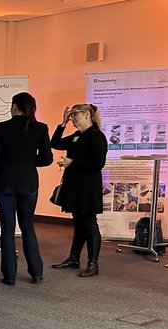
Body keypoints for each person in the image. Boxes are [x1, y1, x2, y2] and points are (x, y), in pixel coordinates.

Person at [0, 92, 53, 286]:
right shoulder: (40, 128)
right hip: (29, 184)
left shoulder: (2, 128)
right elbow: (47, 159)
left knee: (8, 229)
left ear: (14, 107)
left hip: (4, 184)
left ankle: (10, 275)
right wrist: (30, 161)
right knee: (28, 226)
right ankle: (36, 272)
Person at [49, 103, 108, 277]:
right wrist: (62, 123)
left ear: (88, 115)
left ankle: (93, 263)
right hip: (75, 185)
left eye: (76, 115)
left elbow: (98, 163)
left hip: (88, 187)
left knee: (89, 223)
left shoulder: (96, 136)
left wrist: (72, 163)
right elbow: (55, 142)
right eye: (71, 115)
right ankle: (74, 258)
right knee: (79, 222)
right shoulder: (78, 135)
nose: (73, 119)